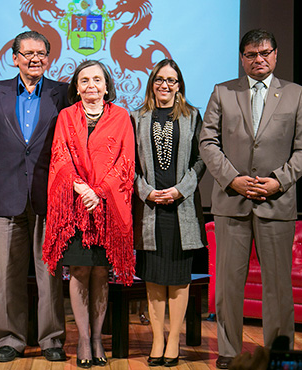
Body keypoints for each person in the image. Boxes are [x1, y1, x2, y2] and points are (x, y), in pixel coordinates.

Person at [199, 29, 302, 369]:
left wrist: (277, 181)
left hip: (276, 203)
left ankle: (279, 351)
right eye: (251, 54)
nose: (259, 59)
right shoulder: (223, 92)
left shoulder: (296, 94)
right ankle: (228, 350)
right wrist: (232, 179)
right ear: (242, 57)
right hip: (230, 204)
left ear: (276, 55)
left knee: (277, 288)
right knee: (228, 285)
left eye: (265, 52)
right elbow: (207, 142)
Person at [0, 30, 69, 363]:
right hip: (8, 193)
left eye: (41, 53)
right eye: (27, 53)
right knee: (8, 274)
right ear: (14, 58)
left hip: (49, 195)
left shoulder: (62, 93)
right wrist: (9, 165)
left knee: (50, 272)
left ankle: (51, 339)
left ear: (48, 58)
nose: (35, 59)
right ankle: (10, 339)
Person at [42, 60, 135, 368]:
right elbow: (61, 156)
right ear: (77, 87)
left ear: (107, 85)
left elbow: (125, 162)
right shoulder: (66, 117)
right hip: (76, 209)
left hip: (108, 208)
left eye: (97, 79)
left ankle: (97, 338)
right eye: (84, 80)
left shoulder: (121, 117)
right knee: (80, 272)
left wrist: (100, 191)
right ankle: (83, 340)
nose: (91, 85)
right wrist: (83, 190)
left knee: (101, 274)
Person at [131, 59, 206, 367]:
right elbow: (129, 163)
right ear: (152, 83)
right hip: (149, 211)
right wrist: (145, 190)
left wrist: (180, 190)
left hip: (182, 210)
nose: (165, 85)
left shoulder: (192, 116)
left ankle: (174, 339)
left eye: (171, 80)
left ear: (179, 85)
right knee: (153, 280)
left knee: (178, 280)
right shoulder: (136, 117)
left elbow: (202, 160)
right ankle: (157, 339)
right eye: (160, 79)